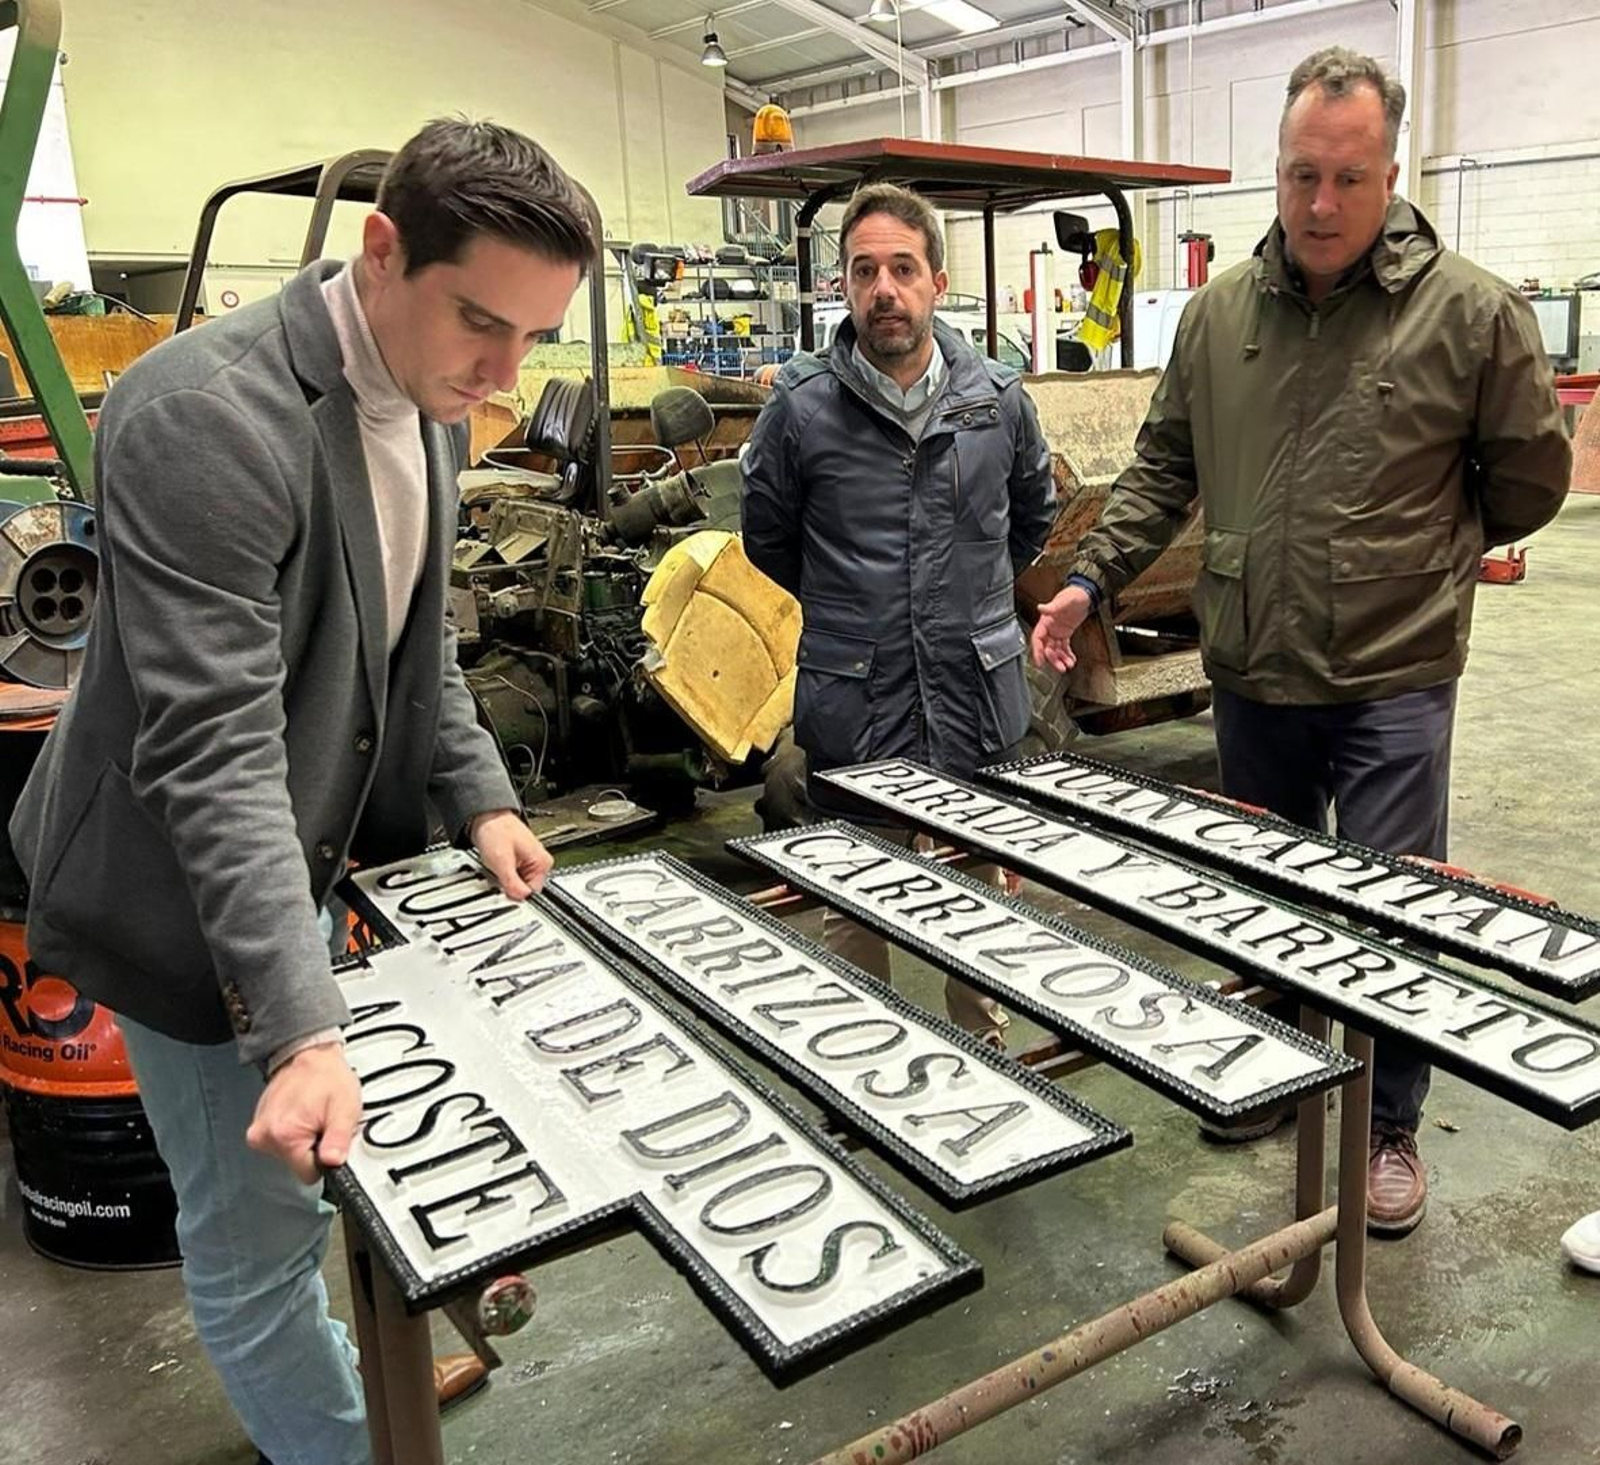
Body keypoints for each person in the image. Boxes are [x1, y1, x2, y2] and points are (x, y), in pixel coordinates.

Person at [9, 120, 594, 1464]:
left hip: (308, 855)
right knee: (255, 1243)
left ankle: (358, 1381)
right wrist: (295, 1026)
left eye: (533, 339)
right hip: (176, 894)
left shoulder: (425, 396)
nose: (503, 376)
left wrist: (484, 798)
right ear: (381, 250)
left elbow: (413, 640)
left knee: (328, 1183)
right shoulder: (205, 420)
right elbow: (214, 751)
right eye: (481, 323)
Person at [1031, 46, 1570, 1238]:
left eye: (1347, 178)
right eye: (1298, 176)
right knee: (1261, 892)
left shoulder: (1471, 314)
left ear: (1390, 176)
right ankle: (1278, 1068)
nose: (1320, 204)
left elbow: (1530, 478)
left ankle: (1385, 1124)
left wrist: (1426, 554)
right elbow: (1161, 467)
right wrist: (1086, 580)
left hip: (1393, 666)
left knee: (1391, 910)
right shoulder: (1220, 315)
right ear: (1275, 170)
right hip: (1252, 656)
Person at [741, 182, 1055, 1047]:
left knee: (981, 887)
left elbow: (1032, 518)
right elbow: (768, 537)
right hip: (858, 695)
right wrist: (853, 609)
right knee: (853, 895)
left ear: (937, 283)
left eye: (903, 269)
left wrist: (971, 600)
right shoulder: (801, 408)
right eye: (864, 270)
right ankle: (861, 1058)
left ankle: (987, 1051)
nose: (885, 288)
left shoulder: (998, 402)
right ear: (843, 284)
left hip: (972, 691)